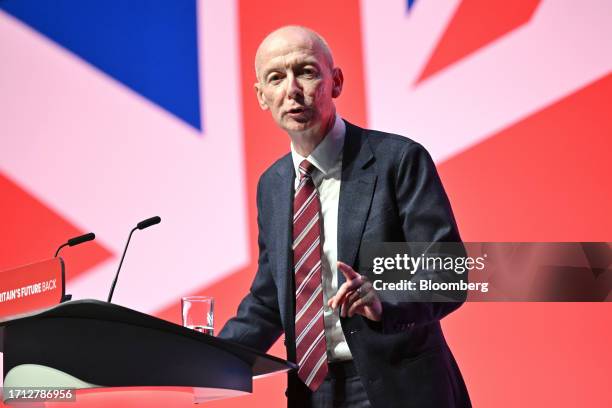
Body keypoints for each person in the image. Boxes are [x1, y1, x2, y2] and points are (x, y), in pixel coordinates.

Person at [218, 25, 471, 408]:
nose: (292, 90)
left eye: (306, 71)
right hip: (312, 392)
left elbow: (448, 273)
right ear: (261, 96)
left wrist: (383, 299)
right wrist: (207, 357)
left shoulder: (397, 160)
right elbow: (272, 297)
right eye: (276, 78)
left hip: (399, 386)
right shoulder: (272, 185)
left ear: (335, 82)